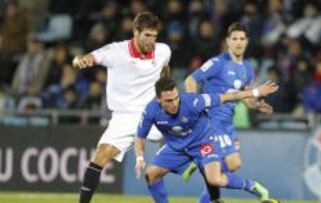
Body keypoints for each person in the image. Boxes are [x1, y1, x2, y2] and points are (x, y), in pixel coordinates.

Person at [72, 12, 171, 203]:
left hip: (152, 114)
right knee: (99, 157)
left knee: (191, 141)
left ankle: (213, 193)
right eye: (147, 36)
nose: (152, 41)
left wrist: (166, 90)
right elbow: (88, 57)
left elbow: (165, 69)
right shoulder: (116, 51)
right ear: (135, 32)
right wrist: (80, 61)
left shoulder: (163, 50)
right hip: (123, 117)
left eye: (154, 36)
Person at [134, 77, 280, 203]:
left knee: (214, 179)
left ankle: (251, 186)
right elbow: (140, 136)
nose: (174, 103)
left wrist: (255, 92)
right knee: (151, 174)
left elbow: (228, 97)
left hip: (204, 142)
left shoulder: (193, 101)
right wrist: (140, 157)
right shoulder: (150, 111)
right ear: (158, 99)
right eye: (169, 100)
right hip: (177, 147)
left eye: (176, 98)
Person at [184, 22, 274, 202]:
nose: (238, 42)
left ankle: (202, 165)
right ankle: (252, 187)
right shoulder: (218, 63)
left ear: (247, 41)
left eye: (242, 39)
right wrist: (194, 104)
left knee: (230, 167)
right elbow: (191, 79)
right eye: (234, 39)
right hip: (211, 122)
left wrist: (256, 105)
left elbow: (246, 96)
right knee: (231, 164)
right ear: (228, 41)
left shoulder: (247, 68)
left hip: (227, 123)